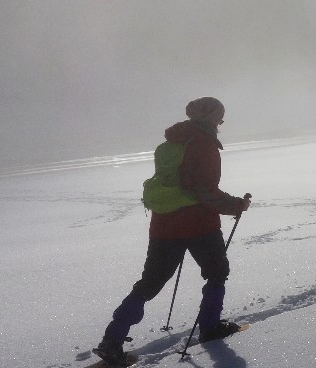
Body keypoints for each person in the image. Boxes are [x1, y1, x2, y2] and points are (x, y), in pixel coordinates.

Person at [94, 97, 251, 365]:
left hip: (165, 224)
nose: (221, 122)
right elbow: (205, 192)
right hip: (199, 224)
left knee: (150, 282)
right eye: (219, 117)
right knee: (216, 273)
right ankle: (210, 327)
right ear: (211, 118)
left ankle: (112, 340)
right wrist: (237, 204)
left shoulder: (173, 142)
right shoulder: (204, 145)